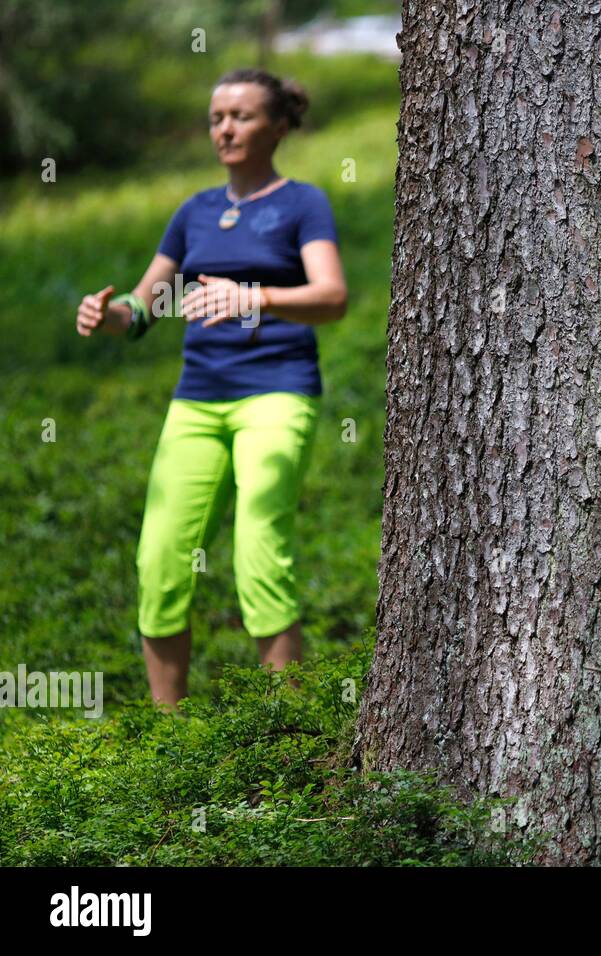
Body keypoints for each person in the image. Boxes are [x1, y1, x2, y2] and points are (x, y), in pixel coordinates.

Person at [74, 68, 348, 708]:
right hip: (197, 398)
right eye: (216, 117)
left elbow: (332, 298)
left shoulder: (301, 203)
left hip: (277, 392)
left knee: (259, 552)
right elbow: (147, 307)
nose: (225, 127)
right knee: (161, 559)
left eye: (242, 116)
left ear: (278, 126)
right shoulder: (194, 212)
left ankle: (287, 727)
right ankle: (169, 736)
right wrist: (108, 317)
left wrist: (253, 296)